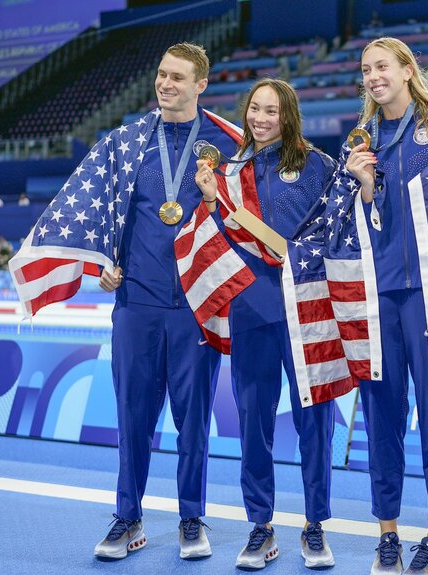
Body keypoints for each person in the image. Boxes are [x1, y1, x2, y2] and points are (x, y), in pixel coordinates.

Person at [92, 42, 242, 561]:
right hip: (136, 303)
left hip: (198, 306)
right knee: (133, 416)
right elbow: (104, 212)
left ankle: (190, 517)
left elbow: (243, 222)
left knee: (193, 420)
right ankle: (128, 518)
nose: (165, 84)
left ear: (202, 84)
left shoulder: (227, 143)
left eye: (178, 77)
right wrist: (102, 263)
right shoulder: (127, 142)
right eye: (161, 75)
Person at [194, 78, 339, 571]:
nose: (260, 118)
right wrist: (211, 201)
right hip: (250, 310)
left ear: (288, 115)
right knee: (254, 421)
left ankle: (314, 525)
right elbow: (213, 242)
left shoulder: (317, 164)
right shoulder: (229, 173)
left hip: (306, 309)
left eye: (271, 111)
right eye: (254, 109)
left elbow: (338, 230)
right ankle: (261, 526)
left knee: (313, 423)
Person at [344, 37, 428, 575]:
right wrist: (364, 187)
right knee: (381, 417)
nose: (373, 76)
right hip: (380, 295)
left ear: (408, 70)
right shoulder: (363, 139)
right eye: (366, 69)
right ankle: (387, 534)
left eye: (382, 66)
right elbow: (363, 225)